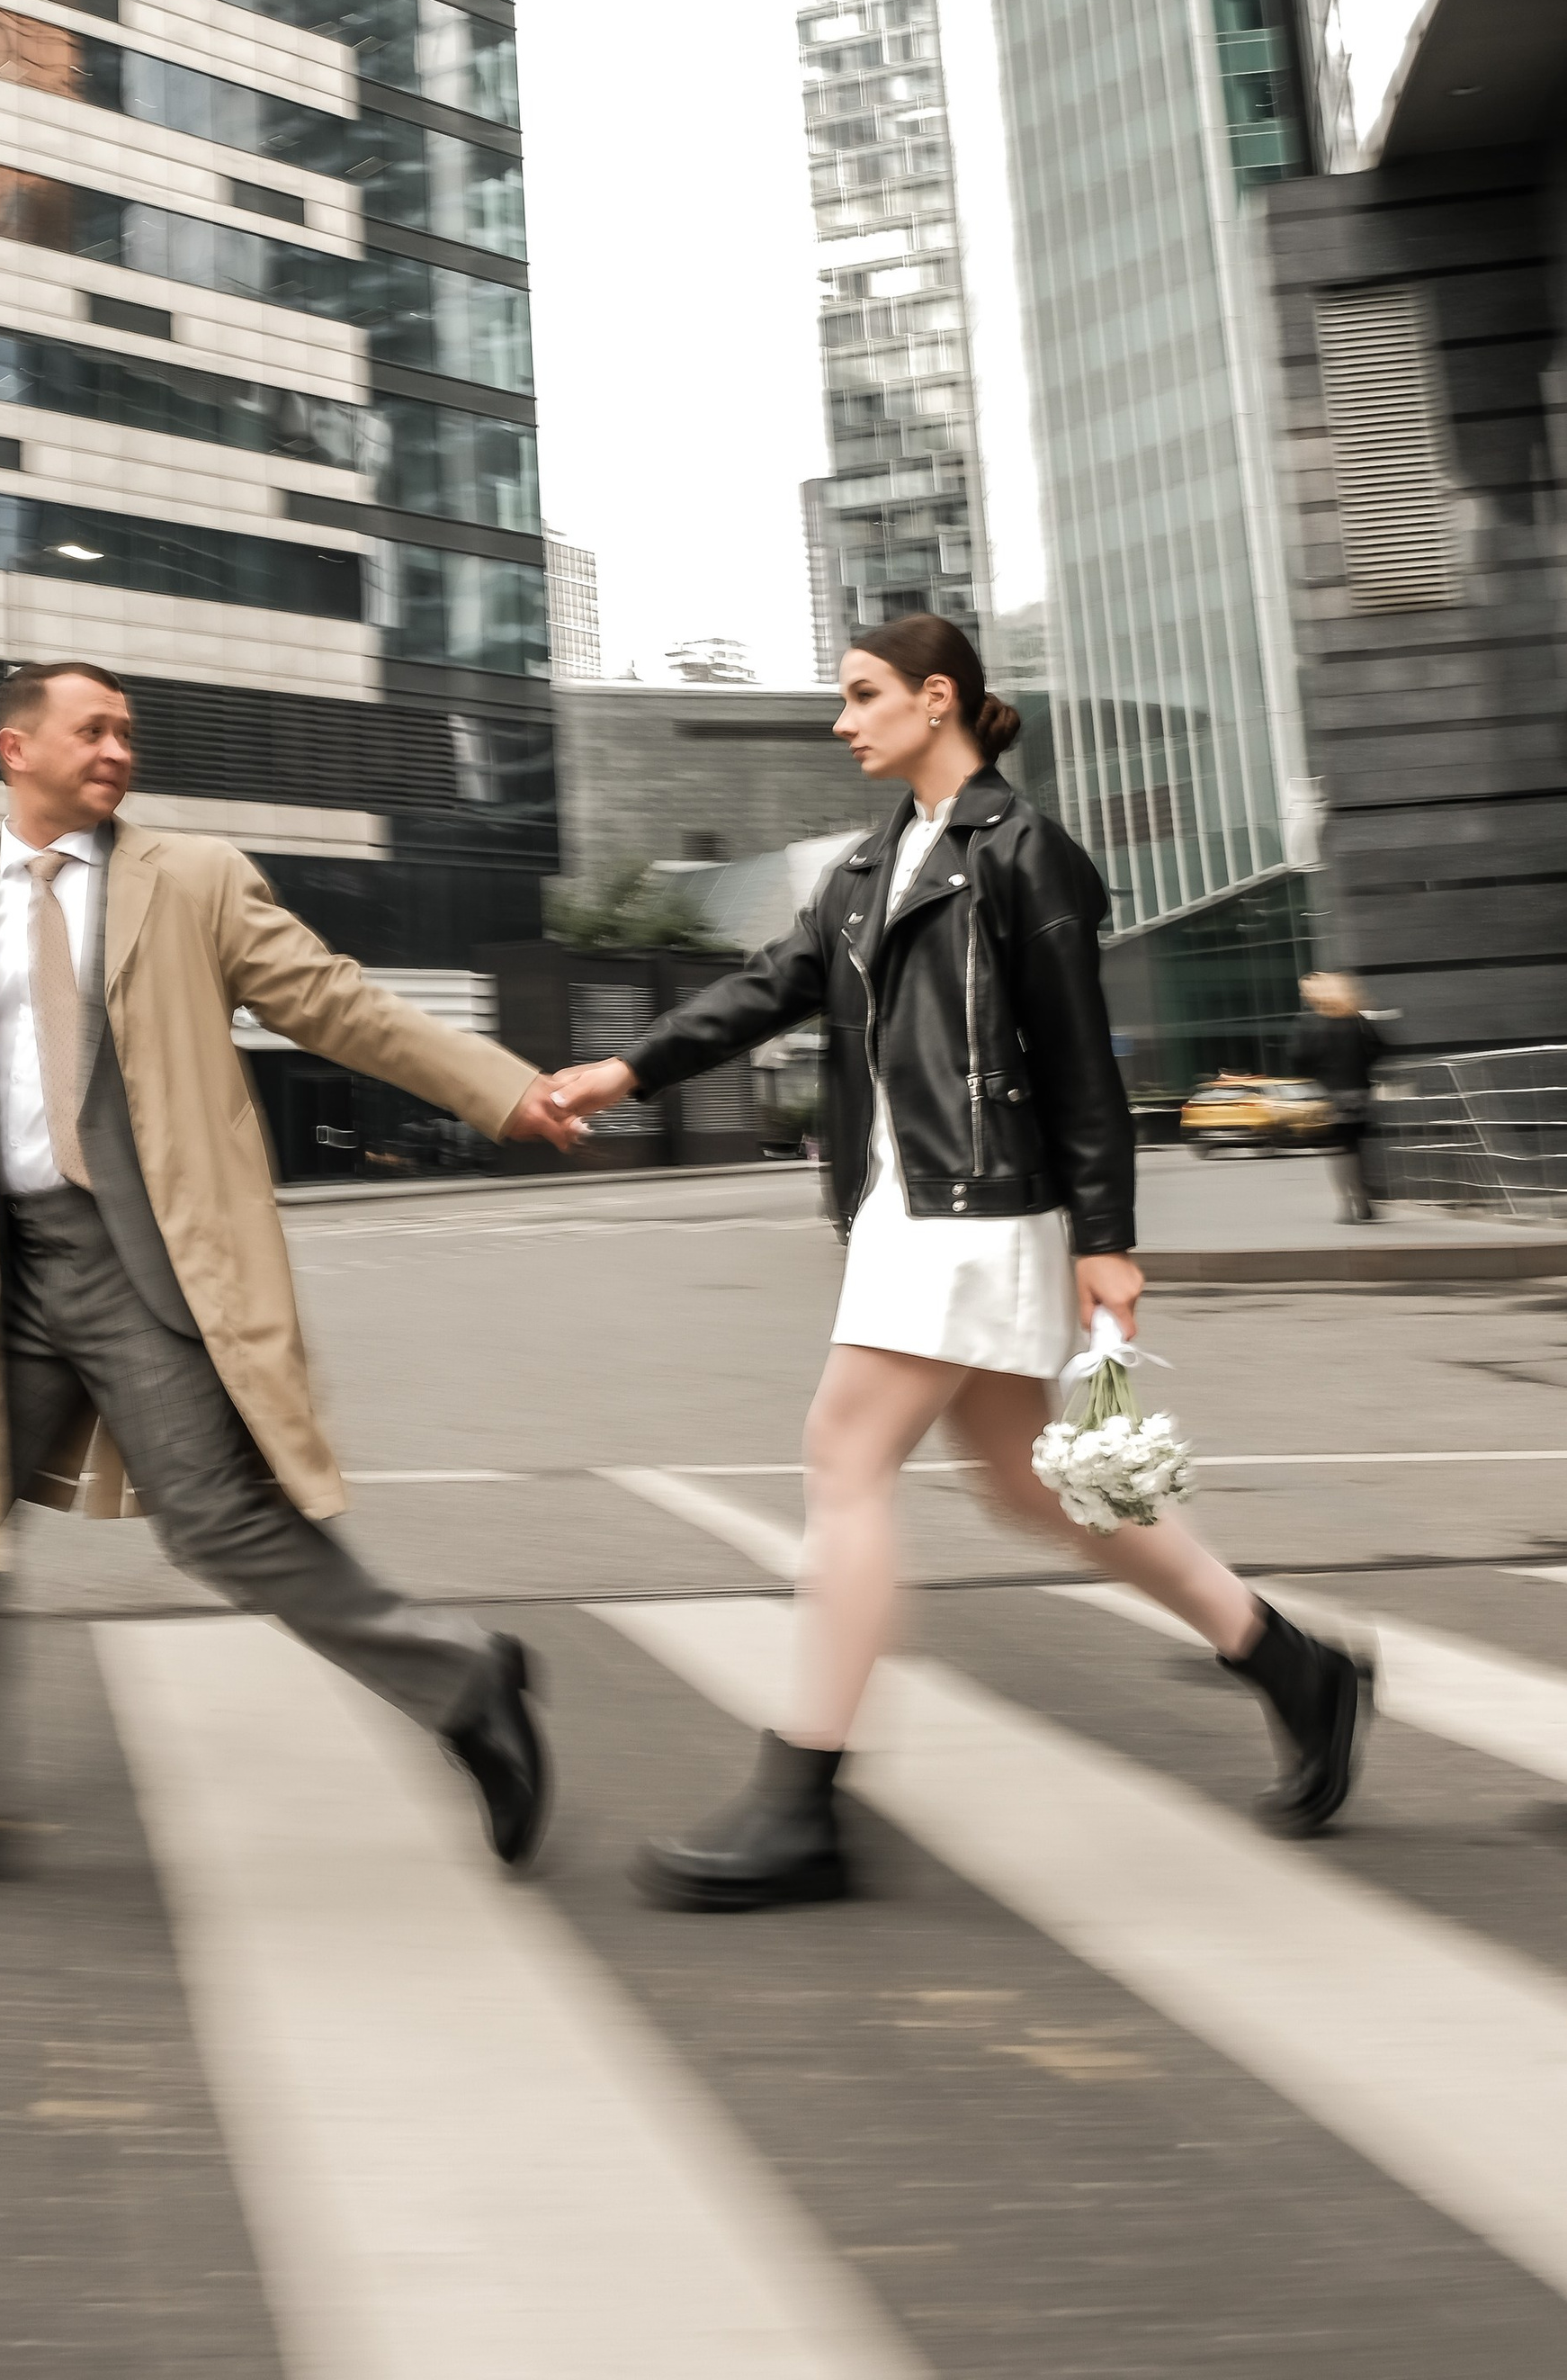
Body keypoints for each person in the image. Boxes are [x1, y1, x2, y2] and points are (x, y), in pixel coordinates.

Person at [542, 614, 1374, 1911]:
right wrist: (621, 1068)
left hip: (975, 1204)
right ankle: (1291, 1665)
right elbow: (765, 989)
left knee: (844, 1456)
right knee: (1034, 1492)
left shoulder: (1022, 853)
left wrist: (1108, 1238)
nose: (841, 720)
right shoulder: (871, 869)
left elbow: (1081, 1059)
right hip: (904, 1204)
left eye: (864, 696)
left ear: (939, 701)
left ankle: (802, 1801)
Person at [0, 657, 578, 1889]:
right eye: (92, 731)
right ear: (17, 749)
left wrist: (500, 1089)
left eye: (126, 735)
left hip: (149, 1262)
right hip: (8, 1270)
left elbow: (334, 1006)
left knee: (218, 1522)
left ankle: (464, 1675)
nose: (117, 752)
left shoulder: (191, 880)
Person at [1292, 972, 1386, 1223]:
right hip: (1359, 1092)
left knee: (1338, 1150)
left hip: (1329, 1094)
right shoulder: (1357, 1020)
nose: (1303, 994)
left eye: (1306, 990)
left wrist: (1317, 1073)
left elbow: (1299, 1058)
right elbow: (1379, 1048)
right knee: (1355, 1146)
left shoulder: (1308, 1022)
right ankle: (1365, 1200)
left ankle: (1348, 1206)